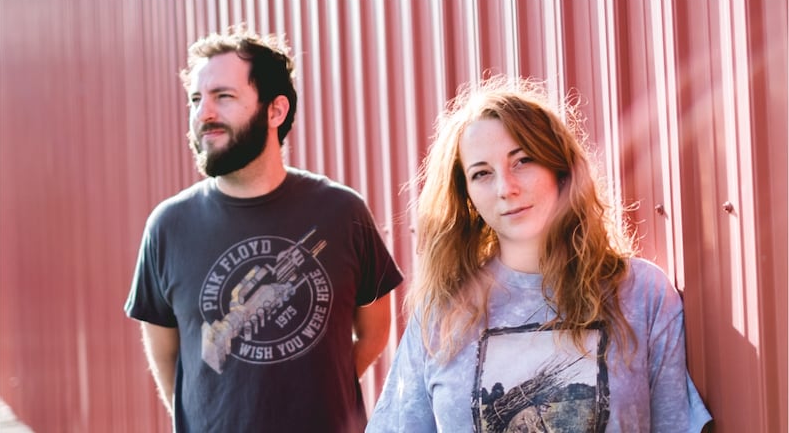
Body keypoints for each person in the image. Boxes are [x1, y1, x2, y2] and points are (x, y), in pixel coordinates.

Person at [366, 77, 711, 432]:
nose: (506, 188)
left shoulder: (641, 293)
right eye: (482, 173)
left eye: (523, 160)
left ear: (559, 168)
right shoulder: (442, 313)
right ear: (466, 194)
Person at [124, 26, 403, 432]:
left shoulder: (342, 211)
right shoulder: (168, 225)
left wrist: (325, 392)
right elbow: (167, 353)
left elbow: (375, 330)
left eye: (223, 96)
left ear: (276, 110)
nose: (203, 114)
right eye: (196, 99)